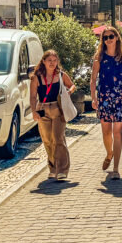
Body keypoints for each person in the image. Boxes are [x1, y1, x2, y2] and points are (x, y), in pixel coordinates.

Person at [92, 26, 122, 180]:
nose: (108, 40)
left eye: (111, 36)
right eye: (105, 37)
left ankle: (116, 168)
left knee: (117, 132)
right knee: (106, 132)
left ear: (117, 38)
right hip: (104, 98)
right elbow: (93, 79)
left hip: (120, 98)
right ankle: (109, 153)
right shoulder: (99, 57)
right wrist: (93, 98)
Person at [29, 50, 75, 180]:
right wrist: (33, 111)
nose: (52, 63)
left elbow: (72, 85)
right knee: (47, 140)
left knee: (58, 139)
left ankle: (62, 170)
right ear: (43, 61)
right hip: (42, 109)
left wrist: (68, 92)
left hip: (58, 108)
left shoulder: (61, 75)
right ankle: (53, 168)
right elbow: (33, 96)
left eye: (54, 61)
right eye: (49, 60)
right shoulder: (37, 77)